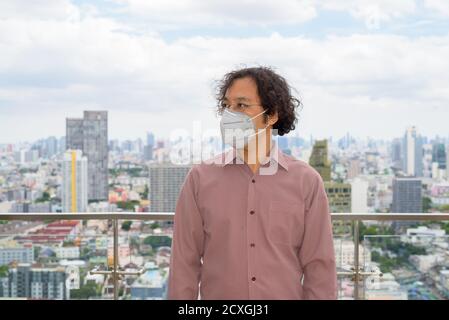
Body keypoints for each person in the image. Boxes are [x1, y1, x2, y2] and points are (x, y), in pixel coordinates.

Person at [167, 66, 337, 300]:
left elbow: (319, 266)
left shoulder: (306, 182)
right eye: (227, 106)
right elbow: (184, 263)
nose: (230, 115)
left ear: (272, 114)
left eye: (242, 105)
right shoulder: (200, 179)